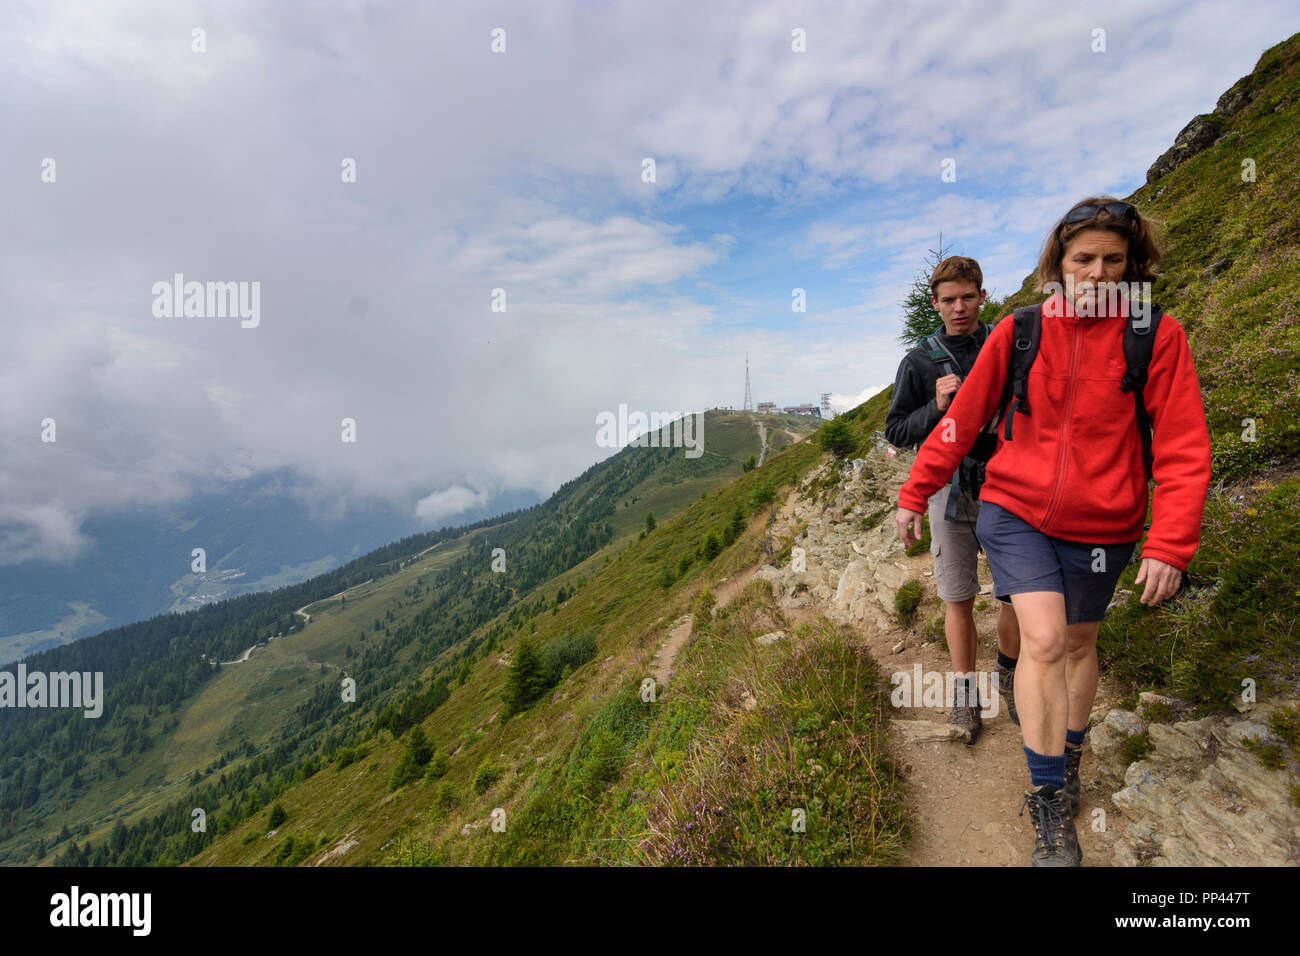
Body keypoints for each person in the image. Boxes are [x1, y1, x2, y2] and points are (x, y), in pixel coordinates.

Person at [894, 198, 1211, 866]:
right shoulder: (1021, 331)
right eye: (1083, 259)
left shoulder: (1156, 334)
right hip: (1014, 508)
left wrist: (1171, 541)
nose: (1097, 274)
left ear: (1134, 267)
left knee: (1076, 642)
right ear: (1058, 265)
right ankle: (1047, 798)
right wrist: (914, 493)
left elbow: (1183, 445)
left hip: (1106, 522)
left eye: (1113, 261)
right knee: (1041, 638)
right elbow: (961, 422)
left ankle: (1066, 754)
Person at [885, 256, 1021, 744]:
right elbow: (897, 431)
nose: (959, 308)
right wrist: (935, 408)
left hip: (1009, 487)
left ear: (982, 296)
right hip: (948, 493)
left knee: (1015, 595)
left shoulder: (1008, 344)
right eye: (948, 300)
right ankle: (966, 697)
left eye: (967, 297)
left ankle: (1010, 679)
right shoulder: (919, 362)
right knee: (958, 597)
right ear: (935, 303)